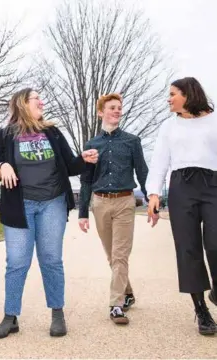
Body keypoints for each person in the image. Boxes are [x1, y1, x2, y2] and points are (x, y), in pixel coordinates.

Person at [0, 88, 98, 339]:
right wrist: (2, 166)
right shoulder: (4, 136)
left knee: (51, 260)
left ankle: (57, 314)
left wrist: (84, 159)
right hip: (19, 206)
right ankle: (10, 316)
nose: (42, 102)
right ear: (23, 104)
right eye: (37, 99)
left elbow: (69, 166)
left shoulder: (52, 133)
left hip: (52, 203)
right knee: (17, 263)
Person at [146, 77, 217, 335]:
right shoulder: (169, 126)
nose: (169, 98)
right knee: (188, 248)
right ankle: (201, 311)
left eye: (173, 93)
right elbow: (159, 162)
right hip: (181, 186)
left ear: (188, 94)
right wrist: (154, 193)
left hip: (213, 185)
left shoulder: (214, 120)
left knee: (215, 243)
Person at [78, 93, 148, 325]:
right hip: (99, 203)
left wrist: (152, 202)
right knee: (112, 256)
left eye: (119, 108)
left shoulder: (132, 141)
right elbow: (86, 180)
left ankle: (115, 305)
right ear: (101, 112)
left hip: (124, 202)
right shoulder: (92, 144)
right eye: (112, 108)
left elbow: (143, 173)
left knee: (120, 255)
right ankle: (127, 292)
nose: (117, 111)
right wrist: (82, 213)